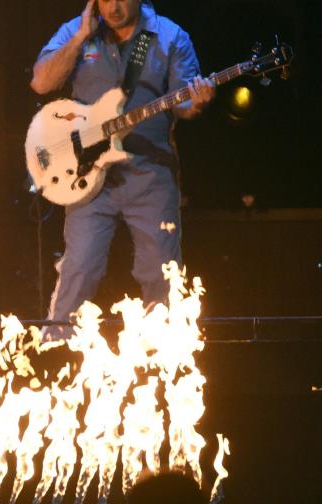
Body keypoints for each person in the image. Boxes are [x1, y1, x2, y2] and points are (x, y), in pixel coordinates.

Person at [30, 0, 215, 337]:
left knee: (162, 269)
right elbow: (41, 83)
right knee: (79, 267)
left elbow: (184, 105)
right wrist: (79, 39)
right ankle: (55, 350)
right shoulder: (78, 29)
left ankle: (164, 356)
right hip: (87, 175)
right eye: (104, 0)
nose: (112, 7)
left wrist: (197, 100)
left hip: (150, 175)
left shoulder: (170, 36)